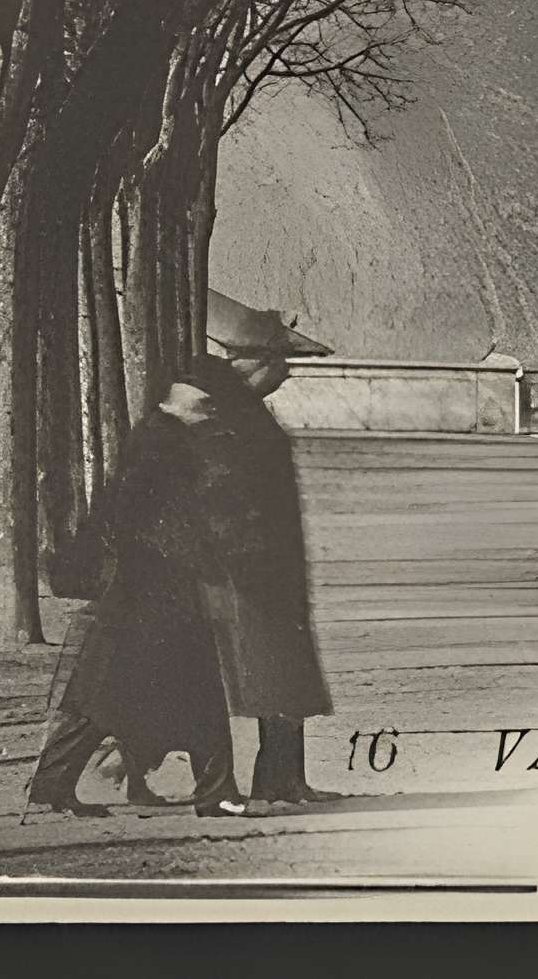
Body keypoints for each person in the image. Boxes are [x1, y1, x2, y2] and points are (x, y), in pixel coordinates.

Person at [28, 370, 248, 819]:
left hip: (144, 594)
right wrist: (202, 559)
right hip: (160, 595)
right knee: (184, 696)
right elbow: (162, 522)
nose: (210, 414)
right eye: (205, 405)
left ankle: (53, 785)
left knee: (104, 698)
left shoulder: (160, 441)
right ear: (181, 402)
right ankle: (215, 794)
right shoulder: (165, 450)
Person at [185, 336, 339, 805]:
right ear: (253, 363)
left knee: (285, 676)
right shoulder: (231, 420)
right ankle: (275, 780)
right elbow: (223, 499)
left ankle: (284, 778)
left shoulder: (245, 413)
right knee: (275, 677)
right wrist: (246, 558)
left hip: (272, 568)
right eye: (280, 361)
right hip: (254, 574)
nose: (287, 371)